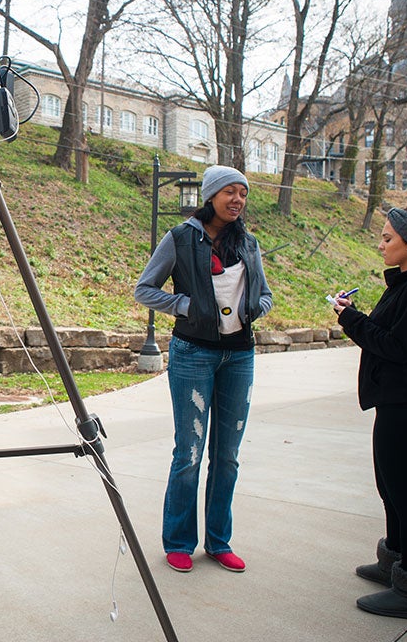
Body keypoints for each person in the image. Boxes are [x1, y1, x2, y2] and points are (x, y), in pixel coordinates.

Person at [134, 164, 272, 574]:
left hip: (240, 356)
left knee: (227, 457)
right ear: (210, 195)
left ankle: (218, 541)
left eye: (243, 194)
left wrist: (253, 310)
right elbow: (146, 288)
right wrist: (187, 306)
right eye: (230, 192)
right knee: (189, 452)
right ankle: (178, 541)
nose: (237, 200)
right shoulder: (180, 238)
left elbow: (265, 294)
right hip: (193, 353)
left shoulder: (248, 243)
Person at [332, 181, 407, 622]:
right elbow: (388, 336)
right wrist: (355, 317)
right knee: (391, 490)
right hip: (398, 404)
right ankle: (394, 566)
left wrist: (351, 320)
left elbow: (397, 347)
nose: (381, 244)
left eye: (387, 238)